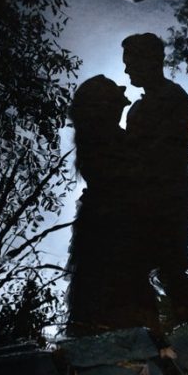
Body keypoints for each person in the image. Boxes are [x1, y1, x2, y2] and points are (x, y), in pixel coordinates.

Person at [64, 75, 154, 332]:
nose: (123, 90)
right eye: (115, 93)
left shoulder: (100, 140)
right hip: (114, 230)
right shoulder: (106, 141)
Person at [120, 33, 188, 312]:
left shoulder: (170, 100)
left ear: (151, 62)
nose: (127, 69)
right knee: (161, 265)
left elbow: (165, 154)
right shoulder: (145, 105)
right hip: (156, 197)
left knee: (170, 264)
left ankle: (184, 316)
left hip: (165, 198)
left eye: (131, 62)